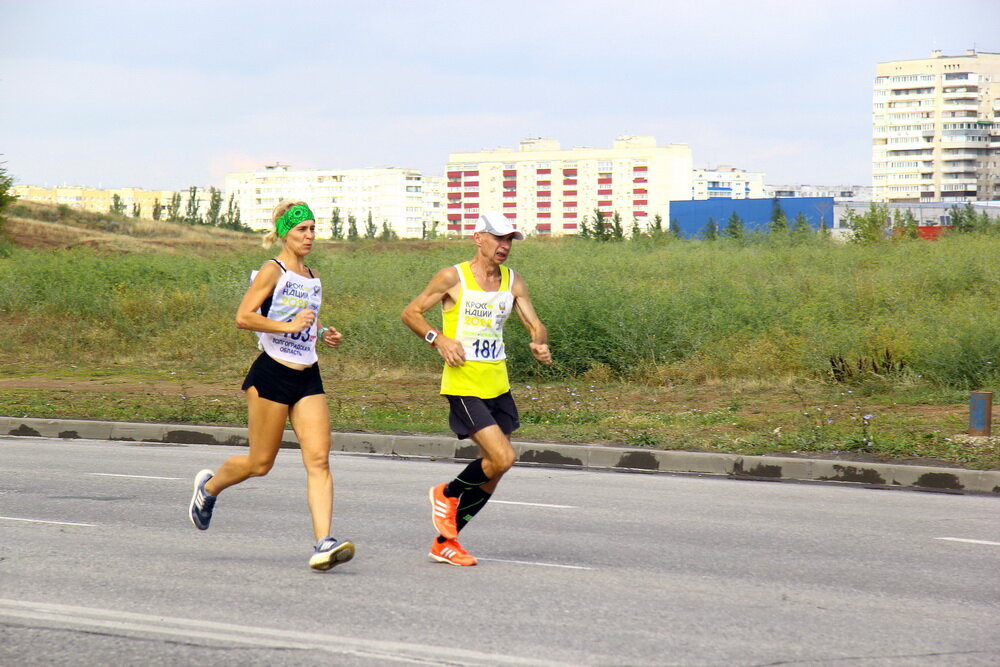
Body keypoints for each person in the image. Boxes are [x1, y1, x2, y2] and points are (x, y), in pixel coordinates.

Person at [188, 200, 355, 571]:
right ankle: (210, 487)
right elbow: (244, 317)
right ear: (285, 233)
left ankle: (323, 542)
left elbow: (301, 318)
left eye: (313, 228)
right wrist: (288, 328)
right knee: (260, 463)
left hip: (307, 374)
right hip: (272, 374)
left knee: (319, 459)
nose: (310, 236)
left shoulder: (312, 277)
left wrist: (324, 332)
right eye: (302, 230)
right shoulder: (272, 270)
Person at [401, 211, 552, 566]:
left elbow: (535, 323)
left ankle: (445, 542)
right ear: (478, 238)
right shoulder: (452, 277)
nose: (504, 246)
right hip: (464, 382)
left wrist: (539, 342)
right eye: (498, 238)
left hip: (497, 384)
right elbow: (411, 313)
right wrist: (438, 339)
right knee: (503, 458)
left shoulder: (513, 281)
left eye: (509, 240)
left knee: (495, 469)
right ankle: (447, 492)